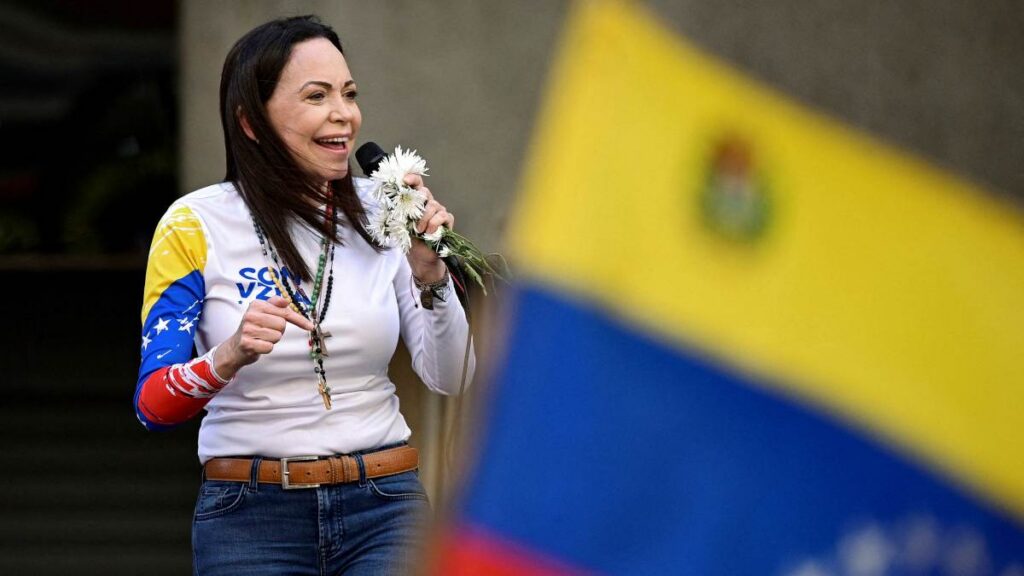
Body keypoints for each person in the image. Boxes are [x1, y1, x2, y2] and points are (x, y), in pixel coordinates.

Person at [133, 15, 474, 575]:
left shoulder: (386, 212)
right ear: (250, 122)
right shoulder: (192, 224)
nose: (344, 113)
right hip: (249, 514)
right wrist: (229, 354)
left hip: (386, 505)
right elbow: (153, 405)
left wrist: (431, 276)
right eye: (316, 96)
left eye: (349, 94)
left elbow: (452, 376)